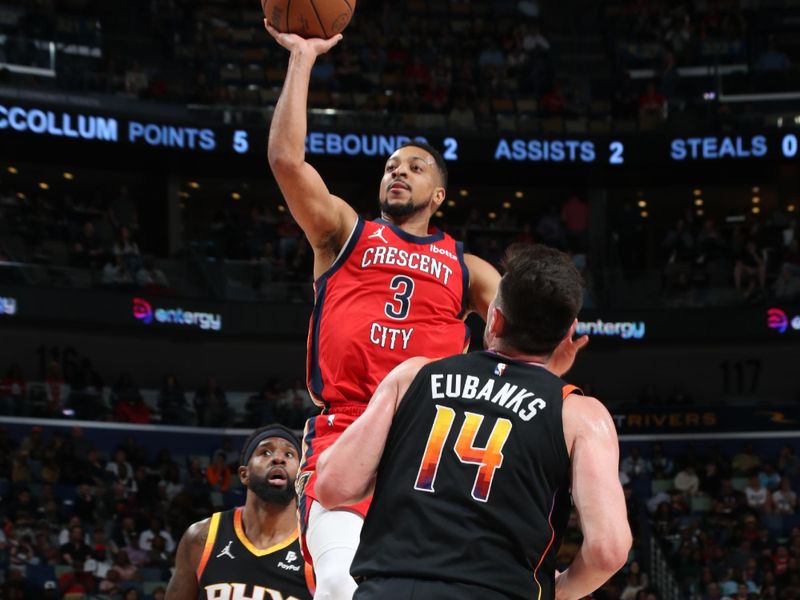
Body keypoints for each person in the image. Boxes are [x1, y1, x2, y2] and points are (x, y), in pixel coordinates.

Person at [264, 22, 588, 600]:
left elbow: (536, 313)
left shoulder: (468, 267)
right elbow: (288, 163)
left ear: (438, 195)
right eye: (392, 166)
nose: (398, 172)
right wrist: (302, 60)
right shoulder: (344, 232)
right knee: (340, 584)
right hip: (348, 425)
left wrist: (559, 359)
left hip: (433, 440)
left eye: (415, 167)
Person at [316, 244, 631, 600]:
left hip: (391, 588)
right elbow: (609, 550)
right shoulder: (579, 415)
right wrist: (561, 590)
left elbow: (333, 486)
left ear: (495, 318)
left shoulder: (413, 376)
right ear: (566, 333)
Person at [165, 425, 312, 600]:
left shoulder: (314, 548)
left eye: (289, 454)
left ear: (301, 478)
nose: (278, 458)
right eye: (265, 452)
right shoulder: (201, 538)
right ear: (244, 474)